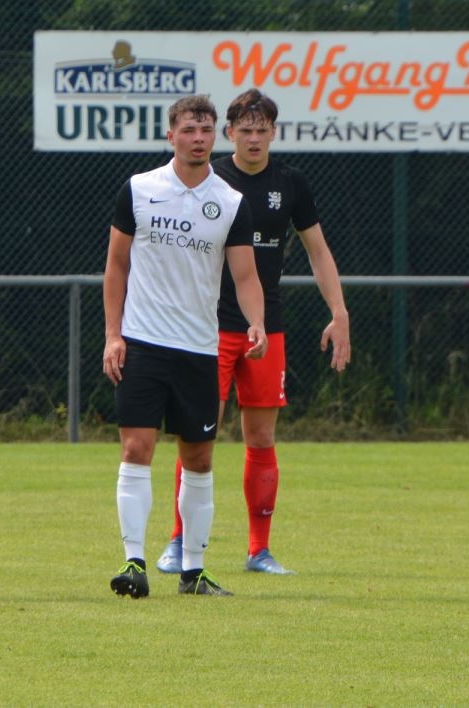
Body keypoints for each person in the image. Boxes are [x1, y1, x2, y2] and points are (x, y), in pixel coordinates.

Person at [156, 88, 351, 577]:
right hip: (207, 328)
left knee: (261, 436)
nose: (254, 139)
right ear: (230, 133)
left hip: (267, 329)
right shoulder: (211, 179)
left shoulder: (291, 183)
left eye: (262, 130)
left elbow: (318, 251)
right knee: (198, 436)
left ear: (273, 133)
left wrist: (339, 311)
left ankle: (259, 550)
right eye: (245, 130)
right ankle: (179, 542)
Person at [103, 94, 268, 599]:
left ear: (215, 135)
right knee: (136, 448)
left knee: (198, 458)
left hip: (199, 348)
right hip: (143, 343)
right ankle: (133, 562)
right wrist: (113, 335)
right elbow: (116, 266)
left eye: (206, 129)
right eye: (189, 129)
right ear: (170, 134)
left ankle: (193, 571)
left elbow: (245, 274)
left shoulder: (231, 202)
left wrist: (257, 322)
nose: (199, 138)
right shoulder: (139, 189)